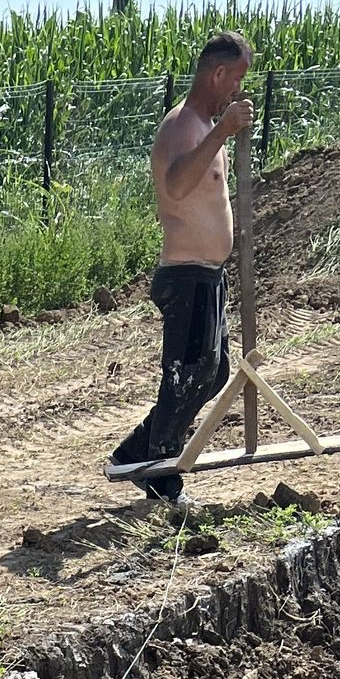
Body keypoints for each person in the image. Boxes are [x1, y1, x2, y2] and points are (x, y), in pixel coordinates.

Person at [109, 33, 255, 504]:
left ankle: (135, 452)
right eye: (236, 78)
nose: (238, 88)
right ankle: (162, 479)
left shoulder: (207, 128)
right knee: (185, 376)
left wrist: (221, 132)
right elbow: (175, 186)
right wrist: (222, 132)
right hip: (185, 275)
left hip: (208, 277)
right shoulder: (183, 126)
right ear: (218, 74)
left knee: (212, 374)